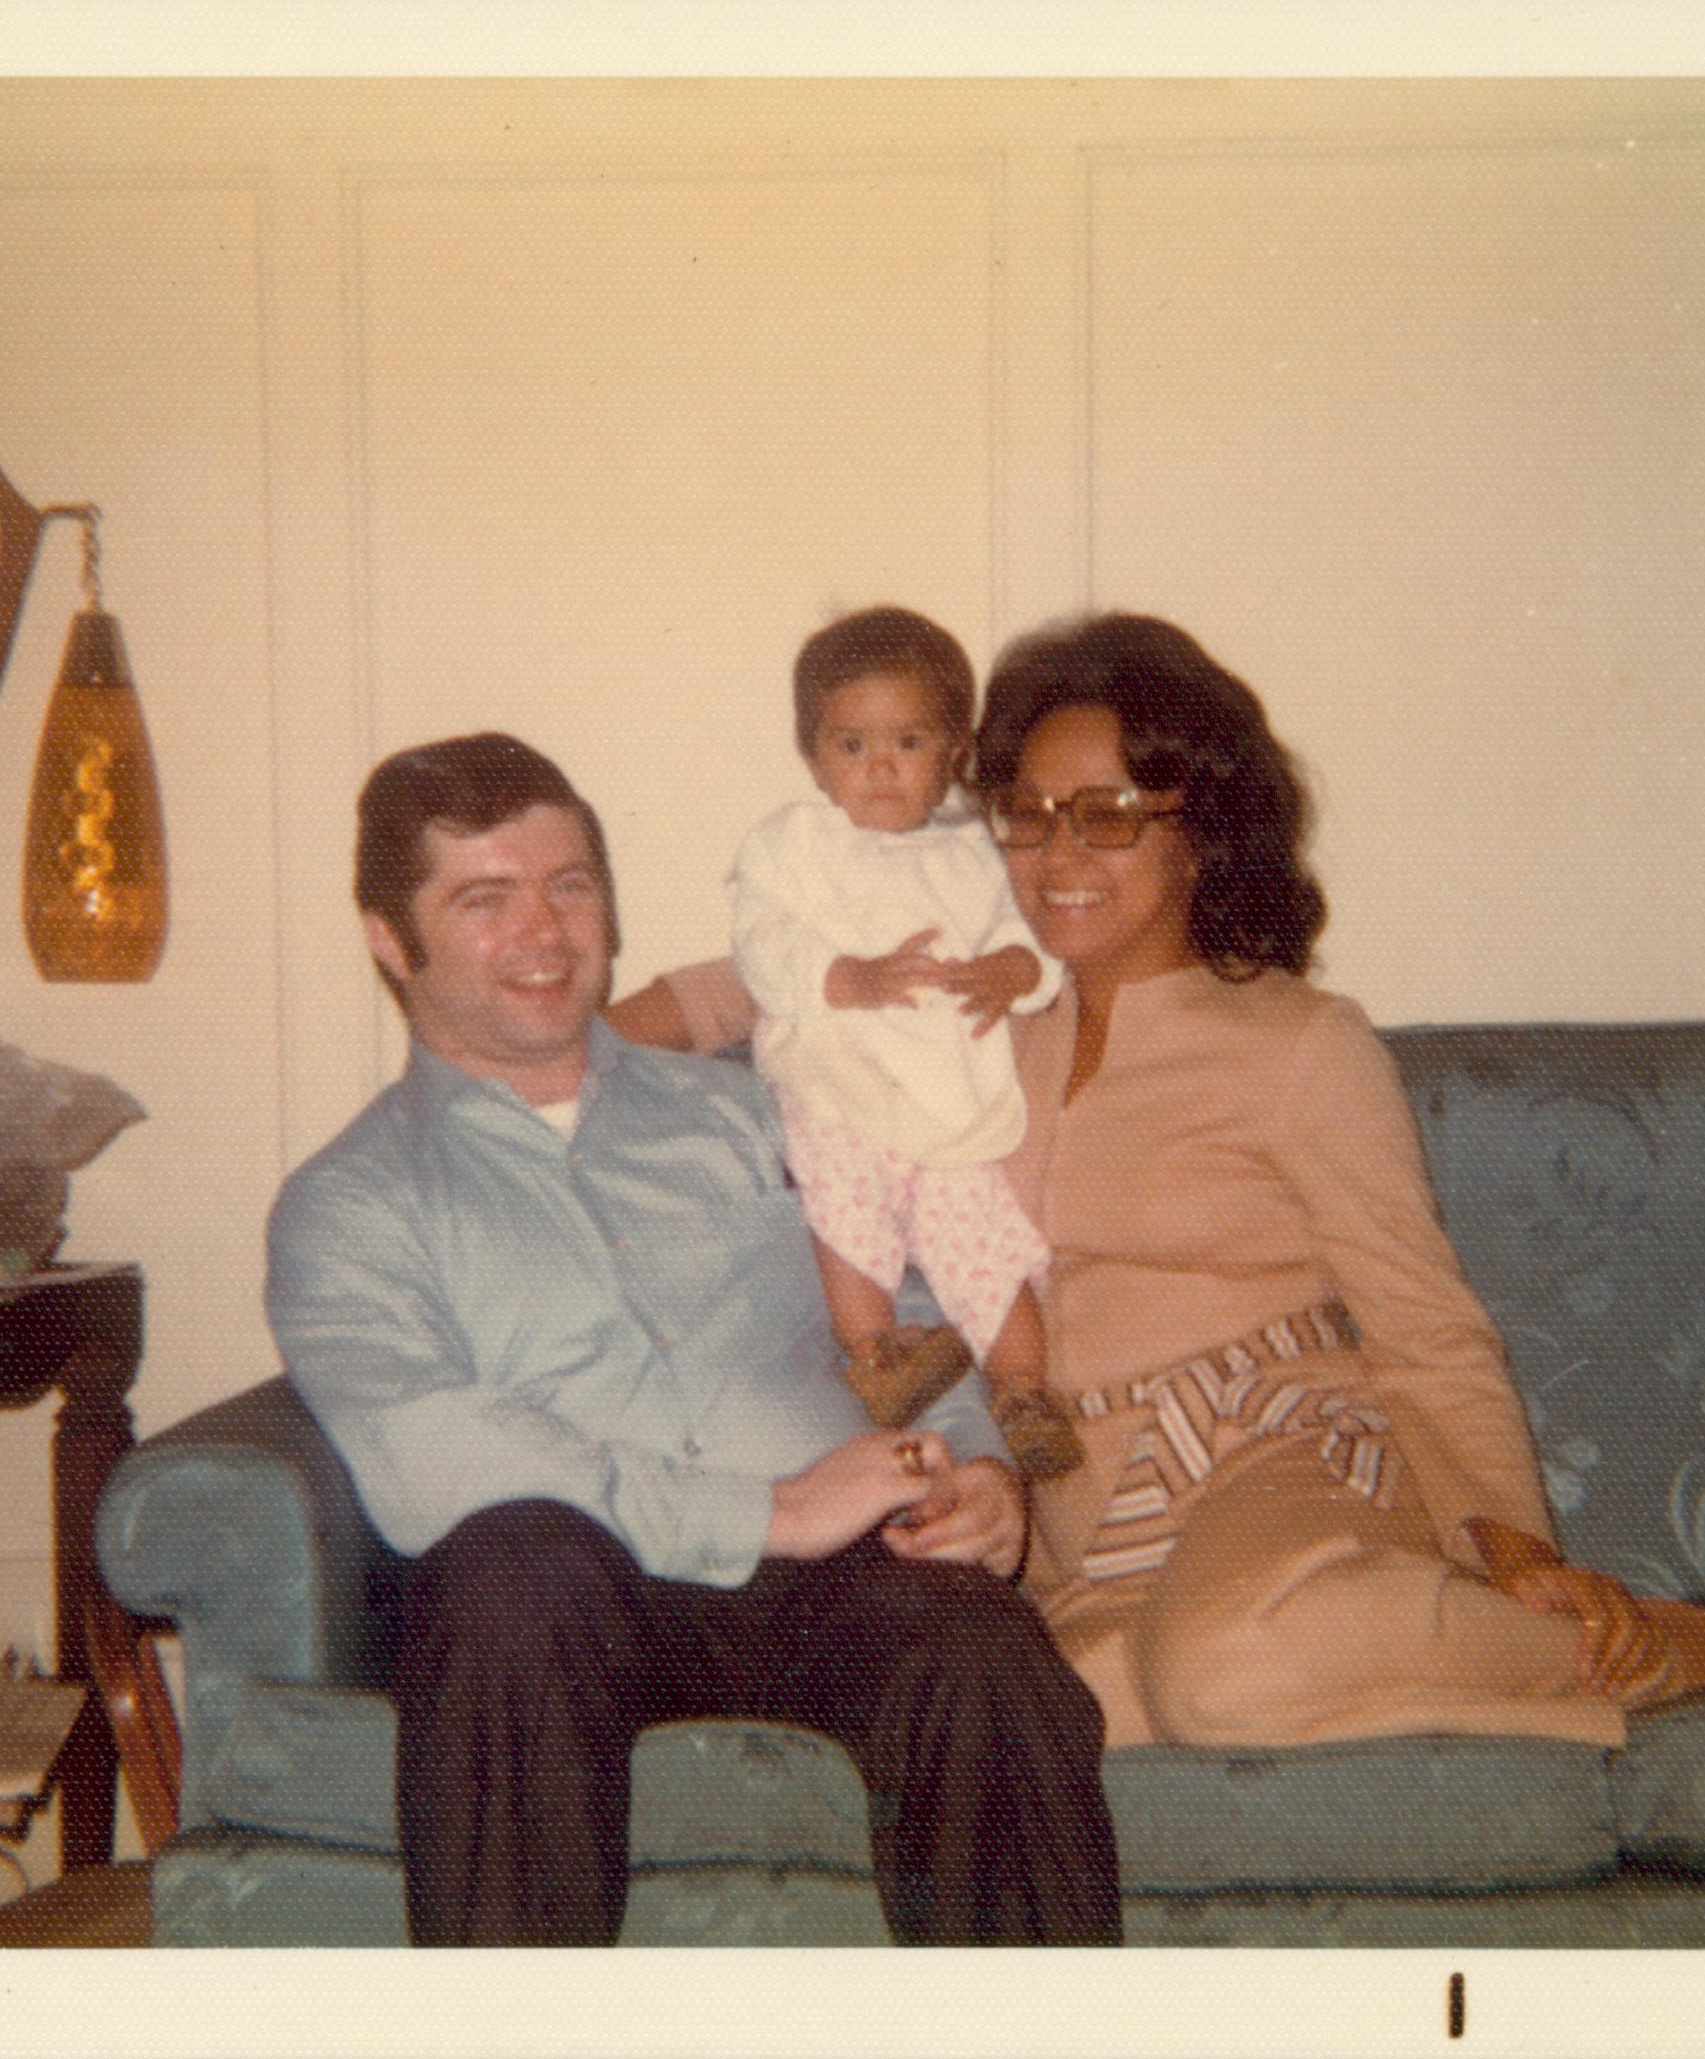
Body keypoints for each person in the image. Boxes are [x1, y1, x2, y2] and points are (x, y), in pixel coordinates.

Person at [614, 615, 1705, 1751]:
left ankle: (1671, 1650)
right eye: (1029, 814)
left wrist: (1513, 1544)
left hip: (1279, 1463)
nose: (1058, 855)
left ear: (1199, 834)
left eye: (1108, 814)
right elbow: (745, 985)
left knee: (1224, 1667)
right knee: (1039, 1729)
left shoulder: (1298, 1042)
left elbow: (1424, 1325)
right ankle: (1319, 1655)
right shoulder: (974, 1018)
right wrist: (551, 1046)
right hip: (1086, 1526)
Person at [265, 732, 1121, 1946]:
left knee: (978, 1645)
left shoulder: (760, 1109)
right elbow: (430, 1456)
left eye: (569, 885)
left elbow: (915, 1306)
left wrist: (976, 1465)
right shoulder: (352, 1199)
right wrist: (769, 1512)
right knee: (502, 1569)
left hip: (840, 1583)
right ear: (389, 941)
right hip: (580, 1601)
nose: (545, 932)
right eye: (483, 901)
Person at [729, 607, 1081, 1479]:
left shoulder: (976, 859)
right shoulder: (793, 845)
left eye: (908, 742)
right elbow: (761, 941)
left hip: (947, 1099)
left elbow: (1029, 934)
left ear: (952, 752)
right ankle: (876, 1353)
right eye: (851, 746)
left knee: (983, 1241)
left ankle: (1025, 1393)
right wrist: (842, 976)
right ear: (813, 755)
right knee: (845, 1213)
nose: (879, 767)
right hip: (839, 1082)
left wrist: (1011, 968)